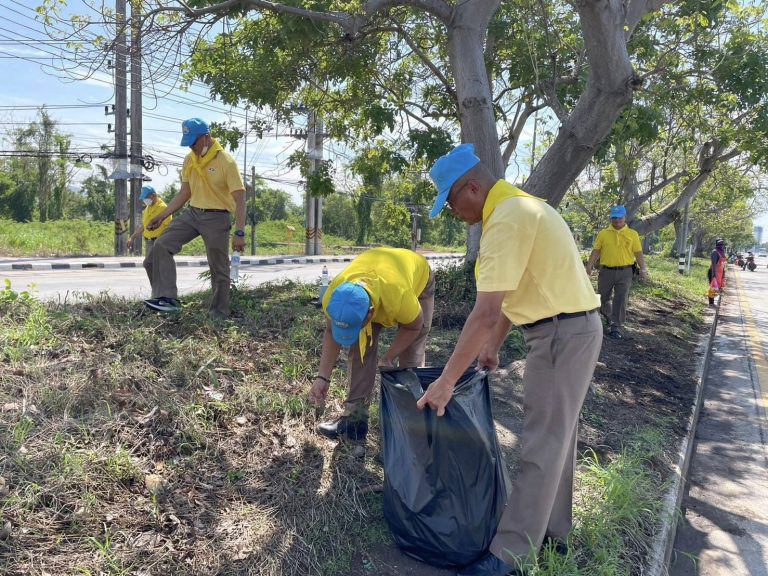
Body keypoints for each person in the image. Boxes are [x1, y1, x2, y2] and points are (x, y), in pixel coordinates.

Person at [416, 143, 602, 576]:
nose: (454, 214)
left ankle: (509, 557)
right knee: (558, 439)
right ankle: (555, 535)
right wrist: (493, 346)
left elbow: (483, 311)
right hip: (568, 330)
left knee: (541, 444)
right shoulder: (525, 208)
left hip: (560, 334)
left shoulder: (507, 220)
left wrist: (446, 381)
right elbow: (505, 301)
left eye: (452, 203)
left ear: (473, 188)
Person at [309, 247, 435, 442]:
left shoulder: (400, 296)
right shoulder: (333, 296)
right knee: (360, 349)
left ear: (370, 313)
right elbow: (330, 333)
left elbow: (413, 327)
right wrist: (322, 377)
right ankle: (354, 422)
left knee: (410, 360)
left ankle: (409, 433)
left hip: (417, 280)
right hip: (375, 283)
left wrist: (389, 357)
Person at [144, 118, 246, 319]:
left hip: (218, 217)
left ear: (206, 137)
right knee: (161, 246)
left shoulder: (226, 161)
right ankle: (167, 299)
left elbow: (241, 199)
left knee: (219, 269)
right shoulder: (190, 160)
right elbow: (184, 193)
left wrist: (240, 232)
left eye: (194, 142)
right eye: (188, 142)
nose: (191, 147)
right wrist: (162, 215)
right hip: (193, 214)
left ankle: (219, 315)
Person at [585, 205, 648, 339]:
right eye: (614, 217)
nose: (617, 220)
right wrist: (589, 266)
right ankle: (608, 318)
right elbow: (596, 250)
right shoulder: (603, 233)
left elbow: (638, 252)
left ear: (624, 218)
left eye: (619, 217)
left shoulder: (632, 234)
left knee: (621, 299)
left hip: (625, 272)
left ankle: (615, 326)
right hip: (606, 271)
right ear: (611, 218)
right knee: (602, 297)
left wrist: (643, 269)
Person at [127, 185, 172, 293]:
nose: (144, 201)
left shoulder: (163, 208)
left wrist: (163, 243)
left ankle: (159, 291)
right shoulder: (148, 208)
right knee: (152, 267)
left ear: (153, 195)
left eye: (146, 198)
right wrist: (132, 237)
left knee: (150, 265)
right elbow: (144, 226)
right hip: (149, 242)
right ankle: (157, 291)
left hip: (159, 242)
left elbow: (169, 227)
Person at [707, 239, 726, 306]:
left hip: (720, 273)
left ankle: (712, 302)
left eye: (722, 244)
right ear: (717, 245)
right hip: (713, 272)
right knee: (712, 287)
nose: (721, 246)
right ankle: (711, 303)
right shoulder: (715, 252)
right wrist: (713, 275)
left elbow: (723, 264)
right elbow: (714, 264)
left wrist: (723, 273)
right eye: (720, 244)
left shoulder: (722, 253)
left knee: (716, 288)